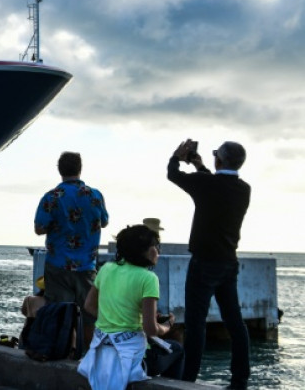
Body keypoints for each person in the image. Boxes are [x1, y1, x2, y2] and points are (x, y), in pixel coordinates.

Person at [168, 139, 251, 389]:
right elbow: (215, 184)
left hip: (203, 263)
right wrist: (200, 165)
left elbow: (173, 175)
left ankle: (189, 378)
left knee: (195, 323)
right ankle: (240, 380)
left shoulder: (206, 183)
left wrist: (176, 155)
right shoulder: (244, 189)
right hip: (228, 263)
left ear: (219, 160)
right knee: (235, 322)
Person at [78, 224, 183, 389]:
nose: (158, 250)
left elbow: (89, 306)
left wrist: (114, 319)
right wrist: (167, 325)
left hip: (100, 353)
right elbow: (150, 330)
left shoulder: (106, 269)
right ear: (144, 251)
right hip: (132, 357)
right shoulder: (148, 278)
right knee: (177, 349)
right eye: (155, 246)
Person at [33, 151, 109, 343]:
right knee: (90, 316)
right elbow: (105, 221)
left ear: (60, 170)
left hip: (58, 266)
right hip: (87, 266)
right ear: (79, 169)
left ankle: (64, 355)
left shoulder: (52, 197)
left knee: (60, 315)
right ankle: (88, 358)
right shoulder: (95, 196)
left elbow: (39, 228)